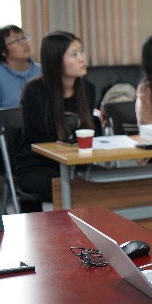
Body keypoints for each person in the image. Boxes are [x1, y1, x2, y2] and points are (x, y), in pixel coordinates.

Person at [15, 31, 96, 212]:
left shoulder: (88, 89)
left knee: (108, 184)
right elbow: (48, 138)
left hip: (76, 162)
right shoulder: (35, 91)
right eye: (74, 54)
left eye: (81, 52)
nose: (82, 58)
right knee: (72, 188)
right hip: (38, 165)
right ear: (56, 61)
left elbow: (88, 130)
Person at [0, 25, 41, 128]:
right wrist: (23, 123)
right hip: (10, 133)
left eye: (24, 38)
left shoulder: (41, 71)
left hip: (43, 132)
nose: (24, 43)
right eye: (16, 41)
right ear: (3, 52)